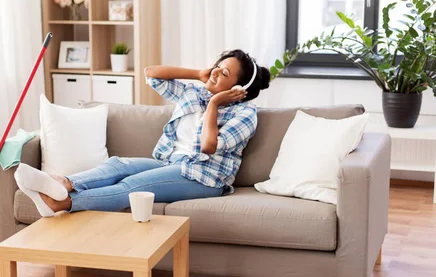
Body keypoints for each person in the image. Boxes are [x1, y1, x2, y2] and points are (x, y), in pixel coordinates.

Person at [14, 49, 270, 216]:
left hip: (204, 177)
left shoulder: (245, 114)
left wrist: (214, 105)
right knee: (118, 164)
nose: (215, 72)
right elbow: (152, 75)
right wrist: (198, 74)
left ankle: (63, 203)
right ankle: (65, 183)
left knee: (132, 186)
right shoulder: (196, 92)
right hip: (170, 163)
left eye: (224, 73)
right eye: (217, 65)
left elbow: (208, 146)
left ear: (238, 86)